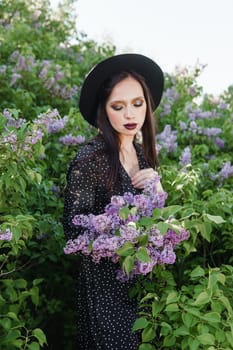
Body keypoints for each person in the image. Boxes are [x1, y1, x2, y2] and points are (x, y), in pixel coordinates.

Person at [63, 53, 164, 350]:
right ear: (104, 111)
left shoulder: (143, 155)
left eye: (137, 103)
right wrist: (119, 236)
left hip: (142, 286)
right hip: (104, 291)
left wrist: (157, 194)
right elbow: (73, 233)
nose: (130, 115)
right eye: (118, 107)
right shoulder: (89, 160)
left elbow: (153, 224)